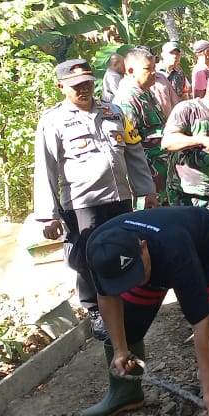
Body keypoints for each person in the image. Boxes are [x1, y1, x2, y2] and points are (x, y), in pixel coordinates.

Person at [80, 206, 209, 416]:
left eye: (137, 274)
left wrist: (207, 389)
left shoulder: (175, 251)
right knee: (127, 325)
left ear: (142, 247)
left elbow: (201, 324)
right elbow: (106, 296)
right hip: (162, 253)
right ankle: (126, 394)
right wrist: (120, 349)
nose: (138, 282)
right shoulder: (99, 247)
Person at [33, 58, 157, 342]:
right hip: (82, 203)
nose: (84, 89)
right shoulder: (54, 121)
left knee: (124, 247)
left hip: (119, 197)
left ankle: (125, 301)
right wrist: (48, 214)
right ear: (61, 86)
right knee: (88, 256)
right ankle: (95, 310)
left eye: (88, 82)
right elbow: (45, 169)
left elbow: (134, 151)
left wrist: (146, 189)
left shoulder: (113, 111)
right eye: (76, 86)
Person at [162, 69, 209, 213]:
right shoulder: (187, 110)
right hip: (184, 193)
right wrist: (200, 139)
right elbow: (167, 141)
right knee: (188, 234)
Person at [112, 48, 168, 204]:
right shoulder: (127, 100)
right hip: (147, 175)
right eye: (147, 69)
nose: (153, 73)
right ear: (131, 71)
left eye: (154, 68)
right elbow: (131, 146)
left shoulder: (147, 92)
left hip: (162, 171)